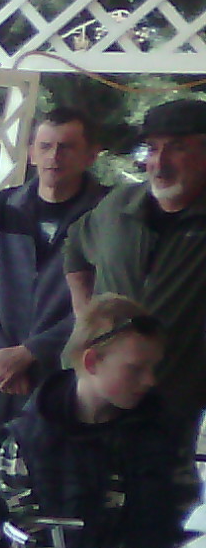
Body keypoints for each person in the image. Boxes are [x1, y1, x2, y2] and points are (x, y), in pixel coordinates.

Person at [0, 108, 110, 502]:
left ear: (91, 154)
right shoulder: (6, 207)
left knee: (50, 494)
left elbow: (104, 305)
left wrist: (31, 352)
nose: (54, 157)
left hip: (63, 375)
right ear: (31, 152)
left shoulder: (107, 216)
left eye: (66, 147)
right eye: (46, 146)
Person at [7, 296, 194, 548]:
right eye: (136, 369)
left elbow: (185, 520)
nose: (150, 380)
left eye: (153, 368)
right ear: (92, 362)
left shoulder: (161, 431)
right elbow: (23, 544)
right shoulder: (29, 438)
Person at [65, 96, 206, 443]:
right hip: (94, 395)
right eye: (153, 149)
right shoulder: (118, 206)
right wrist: (86, 316)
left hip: (169, 403)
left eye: (177, 148)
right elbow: (75, 248)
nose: (159, 163)